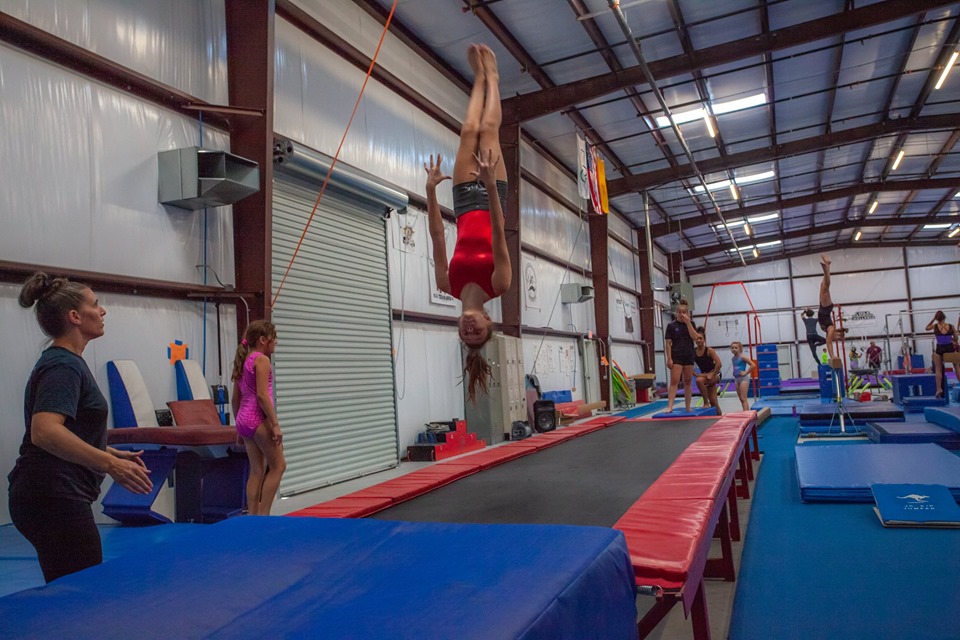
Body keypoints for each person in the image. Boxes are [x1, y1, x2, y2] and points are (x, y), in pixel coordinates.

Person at [8, 272, 153, 583]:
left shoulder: (68, 362)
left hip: (53, 494)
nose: (103, 311)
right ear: (74, 316)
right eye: (95, 304)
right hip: (51, 497)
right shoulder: (63, 365)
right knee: (80, 592)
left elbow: (69, 431)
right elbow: (44, 431)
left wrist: (107, 450)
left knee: (71, 589)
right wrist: (109, 463)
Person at [425, 44, 510, 402]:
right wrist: (491, 186)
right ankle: (493, 76)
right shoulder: (498, 284)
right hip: (492, 198)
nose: (470, 329)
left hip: (462, 203)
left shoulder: (448, 284)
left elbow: (437, 237)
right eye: (477, 333)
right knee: (489, 129)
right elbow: (500, 233)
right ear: (490, 324)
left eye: (466, 335)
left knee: (467, 130)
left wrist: (430, 192)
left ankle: (478, 78)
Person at [230, 320, 286, 515]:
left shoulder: (243, 360)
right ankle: (264, 514)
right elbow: (262, 395)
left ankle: (253, 516)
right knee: (278, 466)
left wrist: (239, 427)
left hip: (244, 419)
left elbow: (235, 399)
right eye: (274, 338)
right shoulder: (261, 360)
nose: (276, 342)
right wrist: (275, 424)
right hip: (257, 417)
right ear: (263, 340)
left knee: (256, 471)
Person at [665, 300, 699, 412]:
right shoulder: (671, 326)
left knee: (688, 381)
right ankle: (670, 406)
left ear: (687, 313)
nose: (682, 314)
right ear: (676, 313)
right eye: (680, 312)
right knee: (674, 380)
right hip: (676, 356)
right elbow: (668, 344)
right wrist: (669, 358)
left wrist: (688, 323)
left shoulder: (691, 324)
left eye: (684, 312)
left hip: (688, 354)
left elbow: (695, 337)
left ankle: (688, 406)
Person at [924, 310, 957, 399]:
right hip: (950, 347)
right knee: (957, 367)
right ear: (944, 317)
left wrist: (933, 319)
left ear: (937, 318)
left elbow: (926, 328)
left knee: (938, 369)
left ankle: (939, 389)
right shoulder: (951, 326)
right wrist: (954, 342)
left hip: (940, 348)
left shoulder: (935, 326)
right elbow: (956, 338)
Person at [693, 326, 723, 416]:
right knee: (714, 402)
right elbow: (688, 367)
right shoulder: (693, 352)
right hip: (705, 375)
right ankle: (720, 418)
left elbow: (719, 364)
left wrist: (712, 375)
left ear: (704, 339)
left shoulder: (709, 350)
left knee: (699, 381)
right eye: (697, 339)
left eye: (701, 338)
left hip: (715, 373)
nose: (699, 341)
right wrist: (697, 374)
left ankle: (705, 403)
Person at [730, 341, 756, 411]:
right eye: (732, 348)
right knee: (741, 399)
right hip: (736, 378)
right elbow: (736, 367)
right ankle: (745, 411)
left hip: (743, 379)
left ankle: (746, 414)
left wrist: (746, 372)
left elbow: (753, 365)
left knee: (743, 398)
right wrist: (734, 372)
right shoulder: (733, 359)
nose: (734, 349)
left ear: (740, 349)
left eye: (736, 348)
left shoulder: (743, 357)